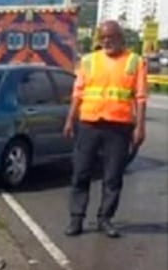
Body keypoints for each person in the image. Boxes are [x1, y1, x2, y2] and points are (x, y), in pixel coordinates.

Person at [63, 20, 148, 238]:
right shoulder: (89, 60)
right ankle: (76, 218)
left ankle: (105, 219)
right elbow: (78, 93)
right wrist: (70, 120)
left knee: (113, 176)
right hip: (89, 123)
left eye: (111, 37)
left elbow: (140, 98)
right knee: (81, 172)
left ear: (121, 38)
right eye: (103, 38)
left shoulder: (135, 62)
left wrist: (140, 127)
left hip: (119, 127)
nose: (107, 41)